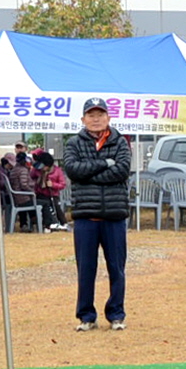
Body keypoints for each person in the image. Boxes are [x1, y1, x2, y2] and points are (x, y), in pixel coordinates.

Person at [62, 97, 133, 331]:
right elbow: (73, 170)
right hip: (85, 216)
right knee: (85, 268)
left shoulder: (120, 142)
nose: (96, 119)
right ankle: (86, 315)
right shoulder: (73, 143)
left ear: (108, 117)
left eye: (100, 114)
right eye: (91, 115)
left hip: (114, 216)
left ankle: (116, 314)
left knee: (117, 268)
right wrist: (105, 163)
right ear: (83, 119)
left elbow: (122, 170)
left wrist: (90, 171)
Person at [33, 147, 68, 231]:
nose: (40, 168)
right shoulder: (36, 170)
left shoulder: (57, 171)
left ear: (48, 165)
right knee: (45, 206)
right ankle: (48, 224)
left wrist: (53, 185)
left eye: (43, 166)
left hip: (53, 195)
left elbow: (63, 184)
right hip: (41, 194)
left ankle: (63, 223)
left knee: (56, 207)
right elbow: (31, 179)